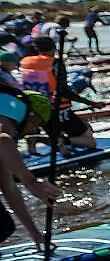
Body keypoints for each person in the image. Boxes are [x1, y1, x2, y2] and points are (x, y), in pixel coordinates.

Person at [0, 88, 60, 247]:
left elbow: (9, 187)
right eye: (38, 126)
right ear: (32, 116)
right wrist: (31, 182)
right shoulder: (14, 105)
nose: (34, 131)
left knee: (3, 227)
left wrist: (35, 233)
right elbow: (2, 140)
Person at [20, 35, 100, 152]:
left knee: (60, 140)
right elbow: (64, 91)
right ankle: (54, 141)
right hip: (60, 110)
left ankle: (40, 142)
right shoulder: (55, 63)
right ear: (54, 47)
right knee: (90, 142)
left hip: (38, 110)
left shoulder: (24, 62)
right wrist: (91, 103)